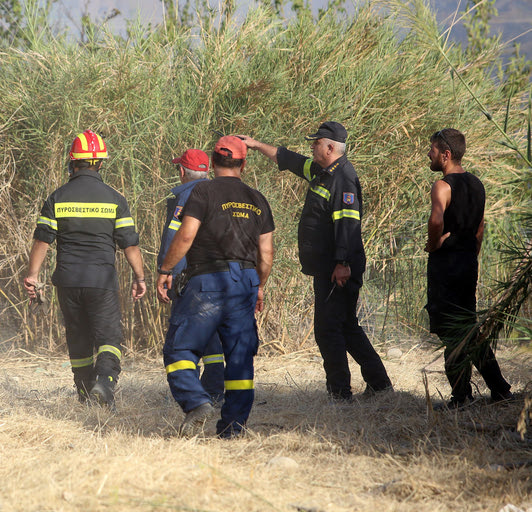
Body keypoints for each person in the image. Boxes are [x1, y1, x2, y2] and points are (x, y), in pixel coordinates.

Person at [239, 122, 392, 400]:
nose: (312, 146)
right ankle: (380, 385)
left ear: (330, 147)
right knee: (346, 326)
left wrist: (342, 262)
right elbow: (290, 160)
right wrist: (256, 144)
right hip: (329, 267)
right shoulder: (323, 172)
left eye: (316, 142)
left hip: (339, 268)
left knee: (327, 329)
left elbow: (348, 224)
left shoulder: (343, 177)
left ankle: (340, 393)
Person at [157, 136, 274, 438]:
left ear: (214, 160)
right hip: (245, 282)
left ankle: (196, 403)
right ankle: (233, 428)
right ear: (243, 164)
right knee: (239, 357)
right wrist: (258, 285)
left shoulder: (202, 191)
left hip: (206, 280)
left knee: (179, 348)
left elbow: (185, 236)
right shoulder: (257, 199)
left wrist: (166, 269)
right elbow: (267, 253)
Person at [23, 130, 147, 409]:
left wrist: (33, 276)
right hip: (101, 280)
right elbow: (129, 244)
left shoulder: (58, 197)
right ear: (100, 163)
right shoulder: (115, 199)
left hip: (67, 281)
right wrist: (140, 277)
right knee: (109, 337)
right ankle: (104, 383)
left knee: (78, 338)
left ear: (72, 162)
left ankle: (84, 395)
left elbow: (43, 239)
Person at [425, 128, 512, 409]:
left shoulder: (442, 186)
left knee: (452, 329)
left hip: (446, 265)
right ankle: (499, 388)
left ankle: (461, 396)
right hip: (467, 263)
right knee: (466, 326)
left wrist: (434, 243)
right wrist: (474, 248)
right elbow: (481, 224)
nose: (430, 154)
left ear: (446, 155)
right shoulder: (477, 184)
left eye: (433, 150)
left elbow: (436, 220)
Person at [157, 148, 224, 406]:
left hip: (190, 276)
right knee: (212, 333)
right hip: (219, 277)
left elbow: (175, 238)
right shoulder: (219, 192)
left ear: (183, 171)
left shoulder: (184, 195)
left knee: (183, 337)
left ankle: (193, 393)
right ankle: (215, 388)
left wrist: (168, 272)